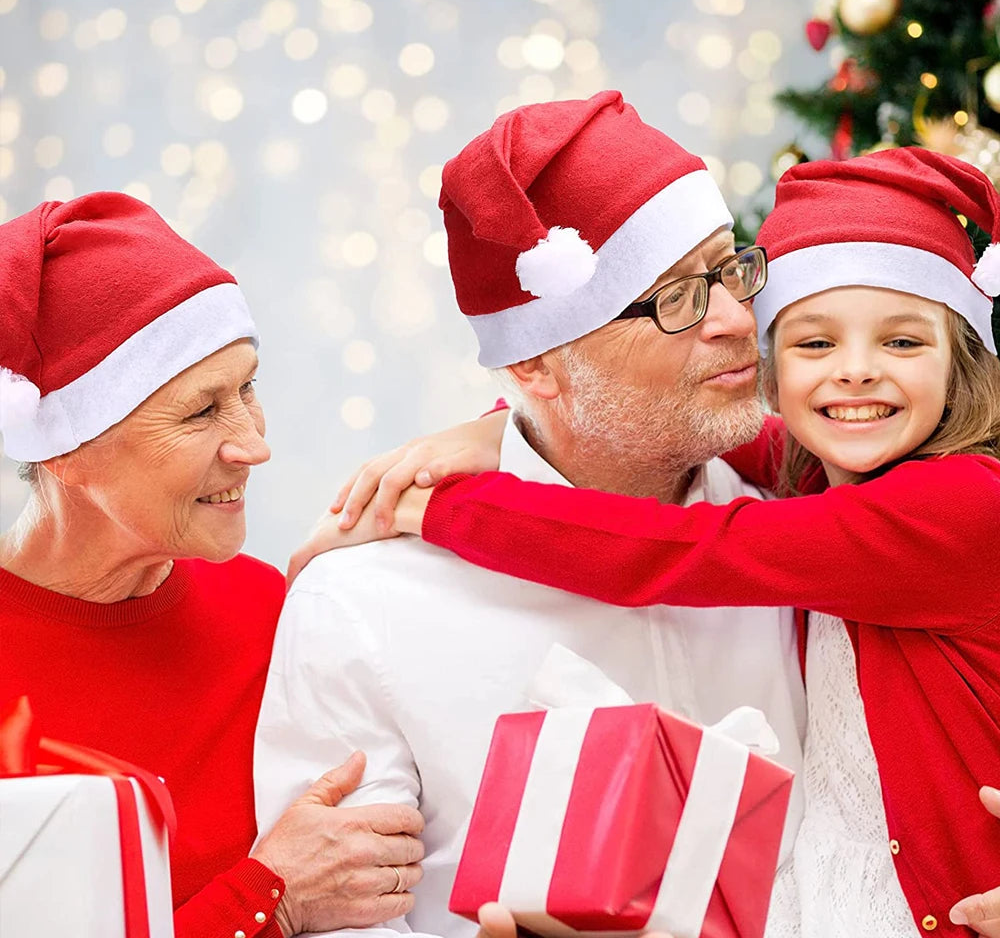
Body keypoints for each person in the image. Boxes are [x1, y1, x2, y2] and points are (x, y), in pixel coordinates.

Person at [307, 147, 1000, 937]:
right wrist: (500, 430)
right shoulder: (830, 476)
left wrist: (443, 509)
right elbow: (739, 436)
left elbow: (685, 549)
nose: (854, 376)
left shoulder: (956, 507)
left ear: (962, 361)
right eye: (813, 345)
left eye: (903, 344)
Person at [254, 90, 807, 938]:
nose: (739, 320)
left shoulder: (810, 530)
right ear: (542, 366)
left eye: (730, 267)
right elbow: (340, 922)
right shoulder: (362, 604)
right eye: (675, 298)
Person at [0, 192, 425, 938]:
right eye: (201, 412)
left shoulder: (268, 611)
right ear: (64, 450)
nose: (254, 445)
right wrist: (268, 900)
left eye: (248, 388)